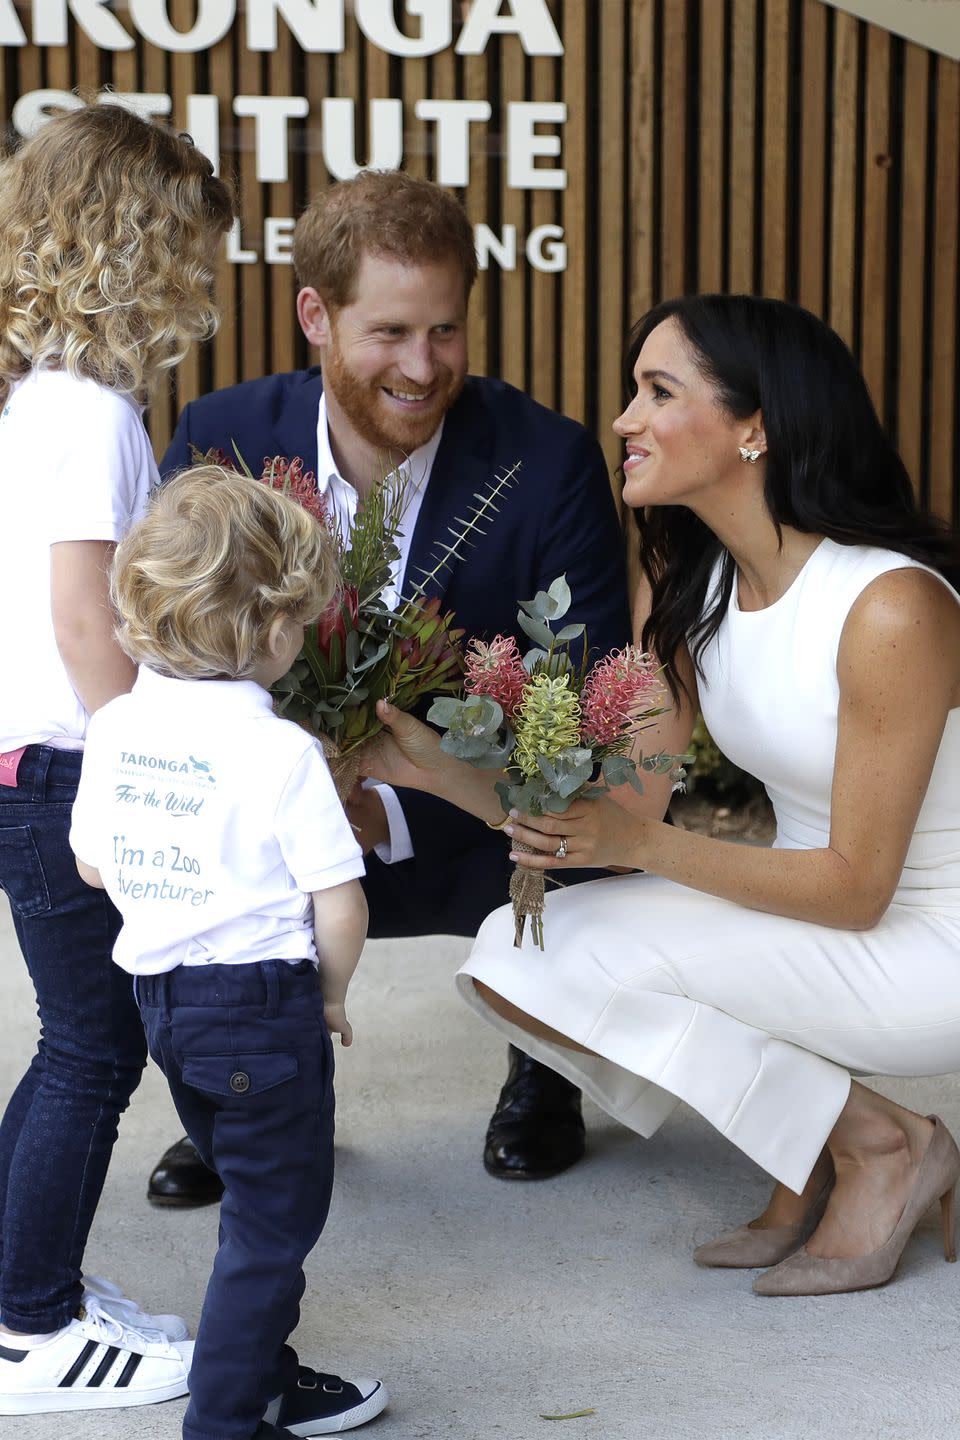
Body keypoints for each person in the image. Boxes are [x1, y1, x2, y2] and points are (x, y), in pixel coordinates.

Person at [361, 292, 960, 1297]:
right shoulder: (696, 584)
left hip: (922, 942)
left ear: (755, 426)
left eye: (658, 391)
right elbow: (618, 814)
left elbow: (857, 887)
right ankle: (832, 1148)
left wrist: (642, 851)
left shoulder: (889, 605)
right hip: (801, 911)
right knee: (519, 952)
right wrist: (419, 764)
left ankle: (882, 1151)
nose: (625, 420)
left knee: (575, 951)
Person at [149, 167, 631, 1205]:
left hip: (468, 825)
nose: (425, 366)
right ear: (315, 315)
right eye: (392, 333)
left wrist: (400, 785)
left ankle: (546, 1064)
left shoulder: (546, 459)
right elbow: (173, 666)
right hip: (274, 830)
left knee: (594, 819)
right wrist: (299, 781)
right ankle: (247, 1092)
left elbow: (583, 691)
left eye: (446, 331)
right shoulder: (221, 439)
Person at [69, 466, 388, 1440]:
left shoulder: (117, 725)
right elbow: (342, 906)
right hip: (263, 1011)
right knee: (272, 1226)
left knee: (250, 1200)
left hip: (165, 1010)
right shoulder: (279, 751)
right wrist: (330, 995)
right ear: (275, 630)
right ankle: (224, 1421)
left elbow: (90, 863)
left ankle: (266, 1372)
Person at [0, 103, 234, 1414]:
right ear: (126, 244)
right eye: (185, 252)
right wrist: (156, 774)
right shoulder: (85, 410)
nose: (195, 285)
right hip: (70, 774)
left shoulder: (40, 397)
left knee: (74, 1041)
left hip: (28, 769)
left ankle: (20, 1294)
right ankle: (29, 1329)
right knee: (92, 1050)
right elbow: (87, 620)